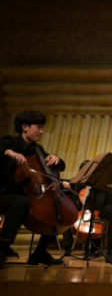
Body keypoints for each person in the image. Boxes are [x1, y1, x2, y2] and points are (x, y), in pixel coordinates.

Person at [0, 111, 67, 268]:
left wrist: (57, 159)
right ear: (25, 127)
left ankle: (40, 252)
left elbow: (60, 166)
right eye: (39, 127)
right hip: (4, 194)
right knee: (21, 202)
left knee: (55, 205)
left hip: (27, 196)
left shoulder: (37, 149)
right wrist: (9, 152)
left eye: (43, 128)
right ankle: (1, 250)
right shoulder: (10, 141)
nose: (41, 132)